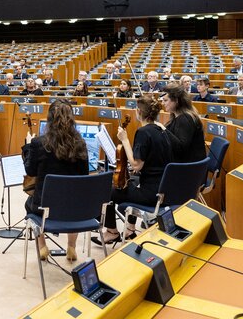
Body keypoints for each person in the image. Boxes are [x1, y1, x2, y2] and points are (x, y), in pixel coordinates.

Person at [94, 95, 173, 246]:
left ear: (138, 111)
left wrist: (124, 140)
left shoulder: (143, 132)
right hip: (164, 188)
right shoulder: (162, 129)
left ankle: (111, 231)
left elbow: (136, 165)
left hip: (151, 193)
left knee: (107, 191)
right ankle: (130, 229)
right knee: (131, 181)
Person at [22, 100, 89, 261]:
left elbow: (30, 171)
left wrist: (28, 146)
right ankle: (71, 247)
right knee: (73, 199)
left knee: (28, 204)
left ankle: (42, 246)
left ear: (50, 119)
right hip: (74, 209)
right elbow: (84, 176)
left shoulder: (39, 143)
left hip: (44, 208)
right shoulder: (80, 143)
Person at [162, 83, 206, 163]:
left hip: (188, 168)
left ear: (176, 100)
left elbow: (181, 149)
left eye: (165, 100)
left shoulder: (185, 119)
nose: (162, 103)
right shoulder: (177, 117)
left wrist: (163, 129)